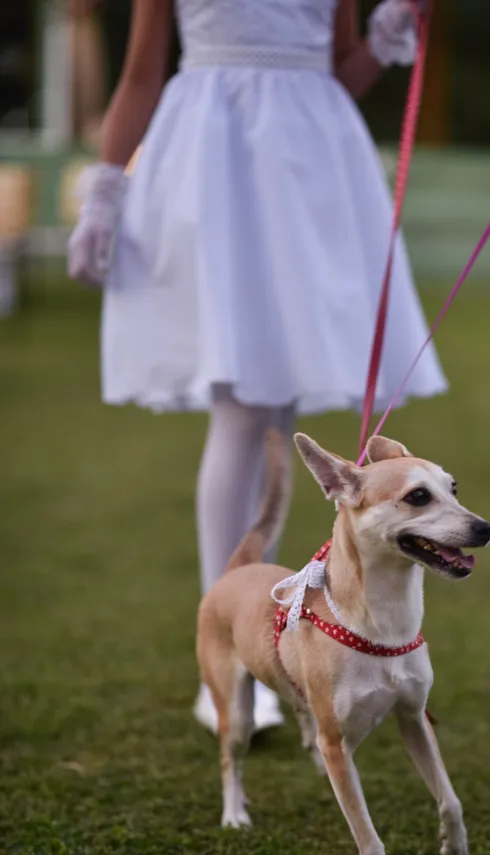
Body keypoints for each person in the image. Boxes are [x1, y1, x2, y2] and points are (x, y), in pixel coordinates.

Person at [67, 0, 447, 736]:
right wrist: (106, 189)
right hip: (216, 157)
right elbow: (141, 73)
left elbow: (342, 71)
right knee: (243, 406)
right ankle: (229, 662)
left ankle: (257, 648)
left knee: (274, 410)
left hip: (310, 162)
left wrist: (385, 34)